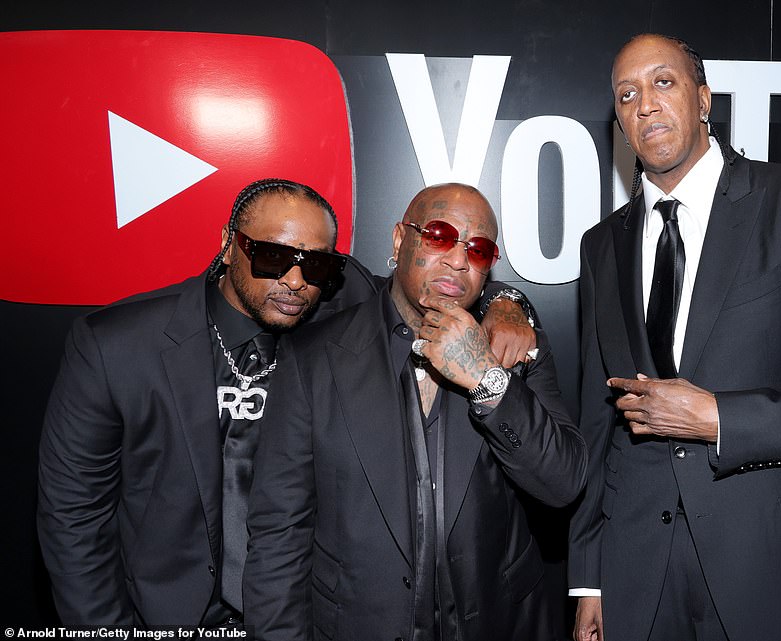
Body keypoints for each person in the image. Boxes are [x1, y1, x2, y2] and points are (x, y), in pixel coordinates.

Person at [36, 178, 539, 626]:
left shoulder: (339, 307)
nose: (295, 281)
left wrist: (507, 305)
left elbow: (432, 282)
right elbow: (73, 519)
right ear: (229, 247)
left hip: (297, 616)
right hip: (166, 614)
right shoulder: (116, 347)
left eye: (316, 263)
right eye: (273, 257)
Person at [568, 34, 781, 641]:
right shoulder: (602, 245)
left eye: (663, 83)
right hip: (640, 573)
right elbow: (598, 427)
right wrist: (591, 578)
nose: (645, 103)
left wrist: (720, 419)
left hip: (777, 567)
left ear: (703, 100)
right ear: (620, 123)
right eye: (627, 95)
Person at [243, 182, 588, 641]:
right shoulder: (313, 358)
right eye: (440, 235)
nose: (459, 260)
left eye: (479, 250)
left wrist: (486, 379)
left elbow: (564, 482)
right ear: (399, 240)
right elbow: (278, 538)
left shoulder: (514, 348)